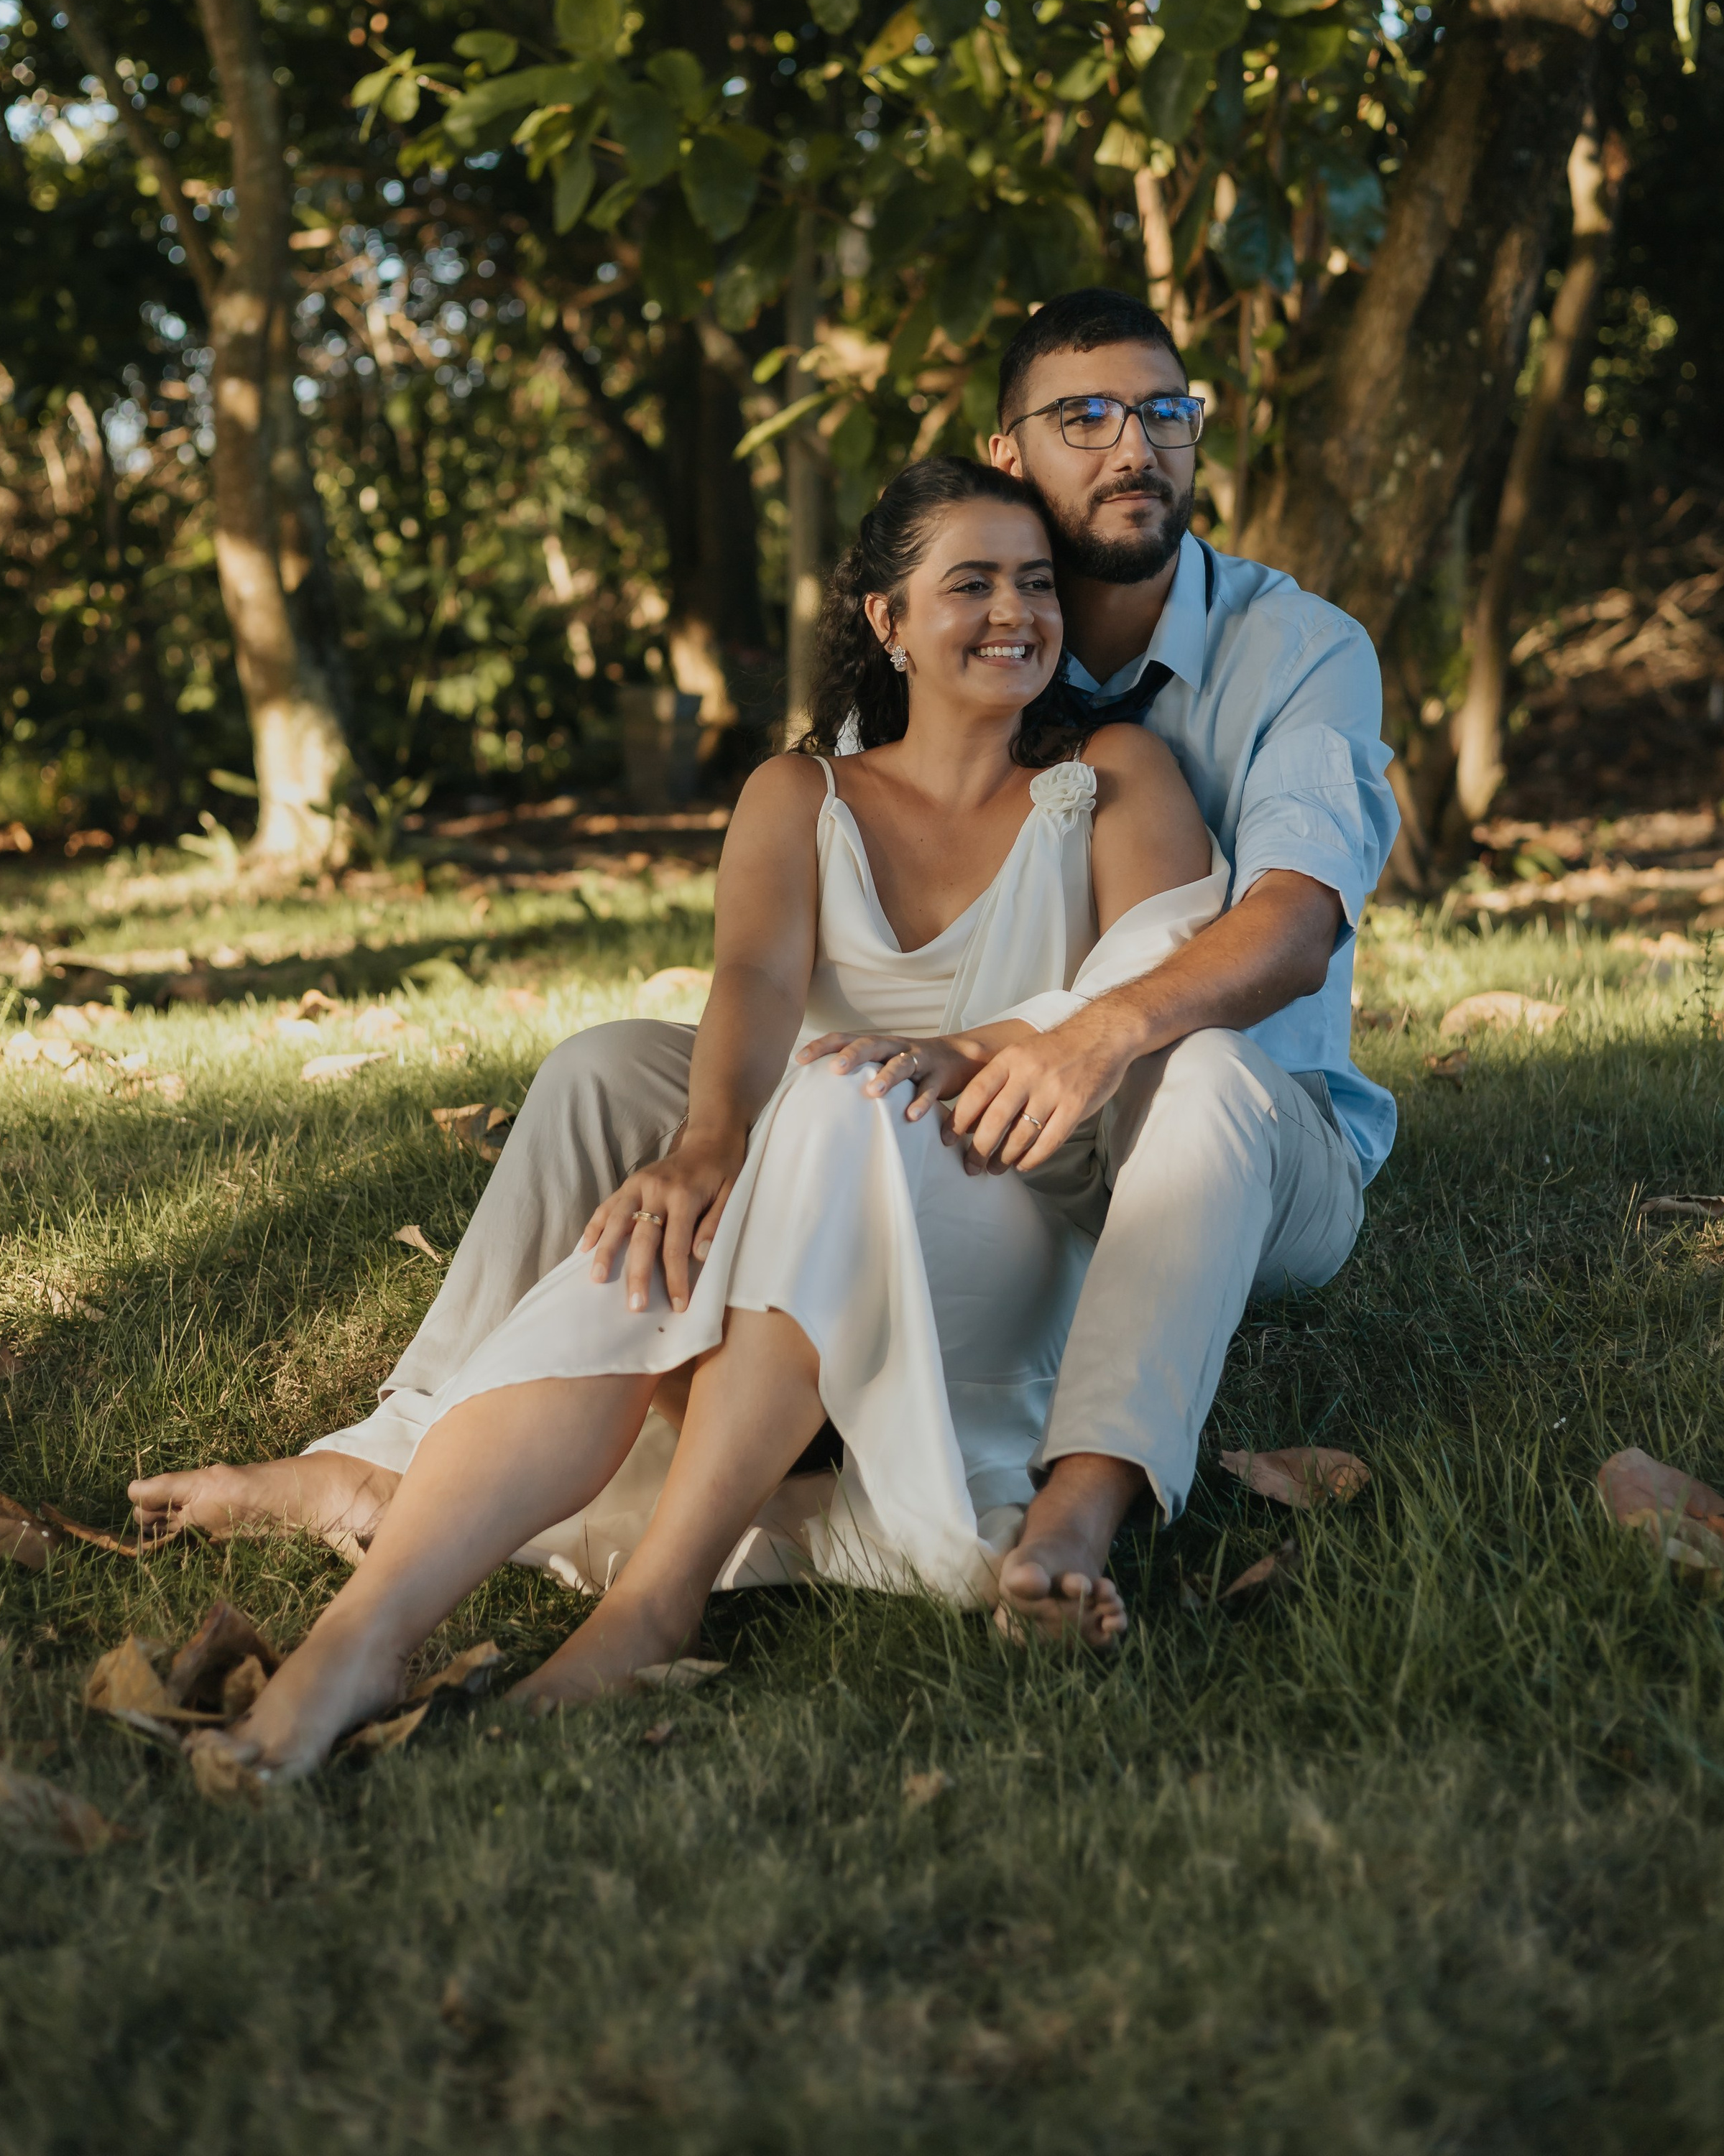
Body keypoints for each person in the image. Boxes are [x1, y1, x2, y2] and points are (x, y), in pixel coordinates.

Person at [138, 283, 1397, 1652]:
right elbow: (788, 947)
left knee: (1194, 1063)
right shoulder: (923, 665)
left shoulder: (1293, 651)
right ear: (1005, 454)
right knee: (606, 1068)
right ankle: (403, 1442)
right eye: (1084, 416)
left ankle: (1073, 1512)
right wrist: (729, 1135)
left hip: (1223, 1136)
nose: (1134, 447)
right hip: (940, 1110)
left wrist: (1075, 1039)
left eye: (1165, 412)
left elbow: (1295, 919)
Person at [157, 458, 1224, 1780]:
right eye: (971, 583)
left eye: (1035, 583)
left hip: (1021, 1217)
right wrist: (704, 1148)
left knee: (835, 1098)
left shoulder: (1112, 776)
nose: (1016, 610)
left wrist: (948, 1072)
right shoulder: (802, 795)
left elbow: (1148, 1015)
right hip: (818, 1175)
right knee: (670, 1145)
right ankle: (361, 1638)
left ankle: (652, 1602)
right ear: (888, 622)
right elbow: (755, 984)